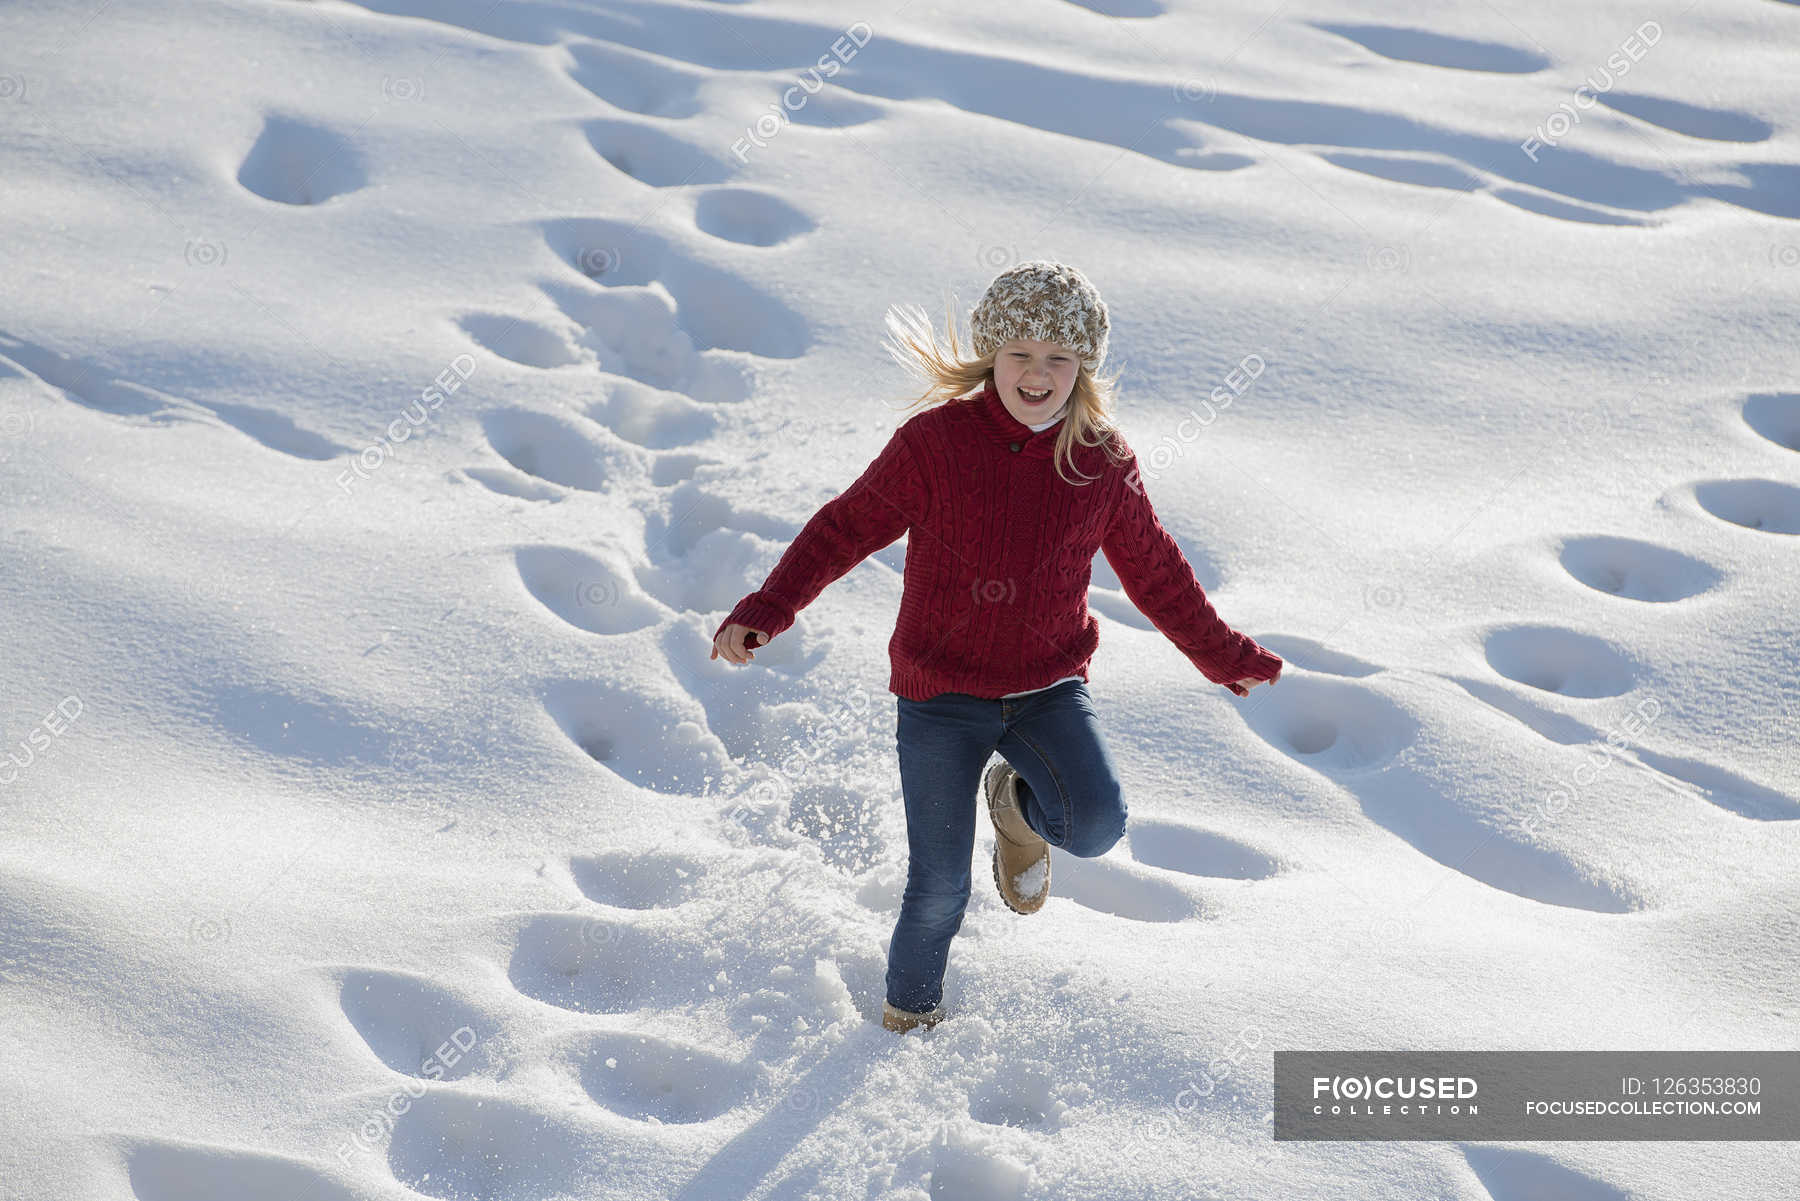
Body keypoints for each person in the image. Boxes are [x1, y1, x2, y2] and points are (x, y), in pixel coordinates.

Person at [710, 261, 1282, 1034]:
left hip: (1047, 686)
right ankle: (907, 1021)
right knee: (939, 884)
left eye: (1058, 357)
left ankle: (1016, 806)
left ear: (1084, 365)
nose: (1037, 374)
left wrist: (1221, 654)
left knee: (1097, 824)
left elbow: (1154, 568)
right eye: (1020, 353)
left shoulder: (1100, 461)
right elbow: (845, 525)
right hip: (941, 696)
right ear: (991, 356)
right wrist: (768, 607)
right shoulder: (934, 445)